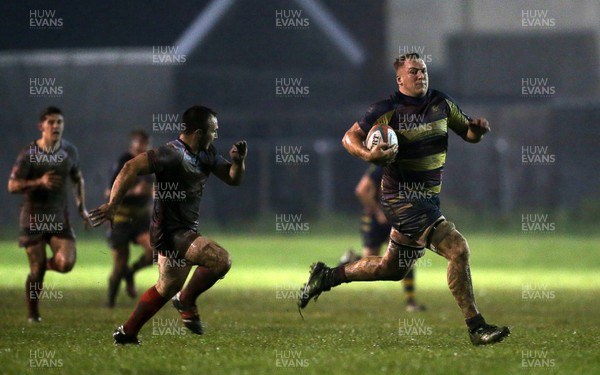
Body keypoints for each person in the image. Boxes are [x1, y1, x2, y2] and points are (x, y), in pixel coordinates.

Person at [298, 53, 509, 346]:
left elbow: (468, 133)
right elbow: (349, 138)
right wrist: (369, 154)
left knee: (392, 269)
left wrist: (478, 131)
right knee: (457, 248)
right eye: (413, 72)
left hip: (428, 200)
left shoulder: (442, 103)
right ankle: (477, 327)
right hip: (401, 198)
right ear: (400, 79)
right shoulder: (385, 109)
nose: (420, 75)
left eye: (423, 70)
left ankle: (327, 276)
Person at [89, 105, 247, 345]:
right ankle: (186, 300)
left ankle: (127, 333)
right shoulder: (171, 153)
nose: (216, 135)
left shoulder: (207, 153)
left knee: (164, 288)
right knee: (220, 259)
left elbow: (233, 179)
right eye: (213, 130)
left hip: (185, 230)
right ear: (198, 133)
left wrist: (238, 162)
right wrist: (113, 205)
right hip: (171, 232)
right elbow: (130, 167)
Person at [8, 106, 90, 322]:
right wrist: (39, 182)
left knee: (66, 264)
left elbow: (77, 178)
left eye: (59, 122)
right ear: (41, 126)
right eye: (51, 122)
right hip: (32, 218)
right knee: (36, 274)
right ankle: (33, 315)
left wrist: (82, 209)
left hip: (58, 217)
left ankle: (42, 263)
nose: (56, 126)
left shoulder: (69, 151)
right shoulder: (29, 153)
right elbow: (12, 185)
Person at [340, 164, 426, 312]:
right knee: (370, 260)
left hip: (394, 219)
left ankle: (410, 302)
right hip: (375, 221)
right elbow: (361, 190)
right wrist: (378, 212)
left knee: (405, 255)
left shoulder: (406, 168)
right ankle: (351, 259)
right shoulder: (380, 168)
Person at [105, 130, 154, 307]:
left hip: (140, 219)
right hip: (121, 218)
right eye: (139, 143)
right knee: (120, 262)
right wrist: (135, 191)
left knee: (153, 251)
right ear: (132, 144)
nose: (143, 147)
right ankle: (110, 302)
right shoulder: (123, 163)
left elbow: (152, 189)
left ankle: (131, 273)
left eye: (146, 143)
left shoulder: (150, 164)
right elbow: (109, 192)